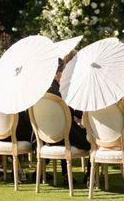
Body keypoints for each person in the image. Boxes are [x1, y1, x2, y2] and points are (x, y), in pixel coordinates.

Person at [47, 56, 91, 185]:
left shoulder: (40, 92)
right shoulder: (60, 93)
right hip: (64, 137)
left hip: (46, 139)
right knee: (92, 140)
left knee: (65, 129)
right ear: (57, 74)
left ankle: (67, 173)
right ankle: (90, 176)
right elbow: (75, 112)